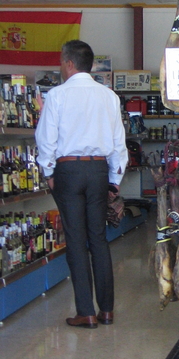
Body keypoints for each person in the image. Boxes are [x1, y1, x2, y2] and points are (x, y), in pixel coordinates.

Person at [36, 40, 128, 329]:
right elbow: (118, 144)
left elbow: (46, 140)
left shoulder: (57, 96)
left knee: (76, 241)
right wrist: (114, 179)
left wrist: (48, 171)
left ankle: (86, 311)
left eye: (62, 63)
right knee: (98, 239)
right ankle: (107, 310)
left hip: (68, 170)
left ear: (69, 63)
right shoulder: (109, 96)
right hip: (99, 170)